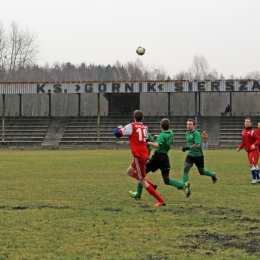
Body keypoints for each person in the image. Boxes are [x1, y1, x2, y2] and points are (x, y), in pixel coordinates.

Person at [114, 110, 166, 206]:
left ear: (134, 118)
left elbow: (117, 134)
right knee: (129, 172)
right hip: (144, 154)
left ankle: (161, 200)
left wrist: (119, 127)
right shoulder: (144, 128)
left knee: (142, 181)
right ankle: (152, 185)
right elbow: (147, 140)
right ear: (143, 118)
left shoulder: (131, 126)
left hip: (139, 156)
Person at [128, 118, 189, 200]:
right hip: (165, 158)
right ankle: (183, 185)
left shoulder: (162, 135)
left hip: (157, 158)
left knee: (141, 175)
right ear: (169, 126)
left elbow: (156, 145)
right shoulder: (171, 133)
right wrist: (158, 136)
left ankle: (138, 194)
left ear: (160, 126)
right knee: (166, 180)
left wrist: (146, 142)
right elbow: (164, 137)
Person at [168, 119, 217, 198]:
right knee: (186, 168)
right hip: (190, 155)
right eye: (187, 124)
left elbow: (197, 145)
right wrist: (188, 149)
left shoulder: (196, 133)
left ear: (194, 126)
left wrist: (187, 148)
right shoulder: (186, 133)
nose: (188, 126)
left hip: (198, 156)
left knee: (202, 172)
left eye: (190, 124)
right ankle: (184, 185)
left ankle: (213, 174)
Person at [237, 117, 260, 184]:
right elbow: (243, 142)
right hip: (249, 151)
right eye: (245, 121)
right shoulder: (243, 132)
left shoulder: (253, 131)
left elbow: (258, 139)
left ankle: (254, 179)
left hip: (254, 150)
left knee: (251, 164)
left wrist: (254, 144)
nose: (246, 122)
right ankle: (258, 178)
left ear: (251, 123)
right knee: (255, 165)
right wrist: (239, 148)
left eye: (248, 121)